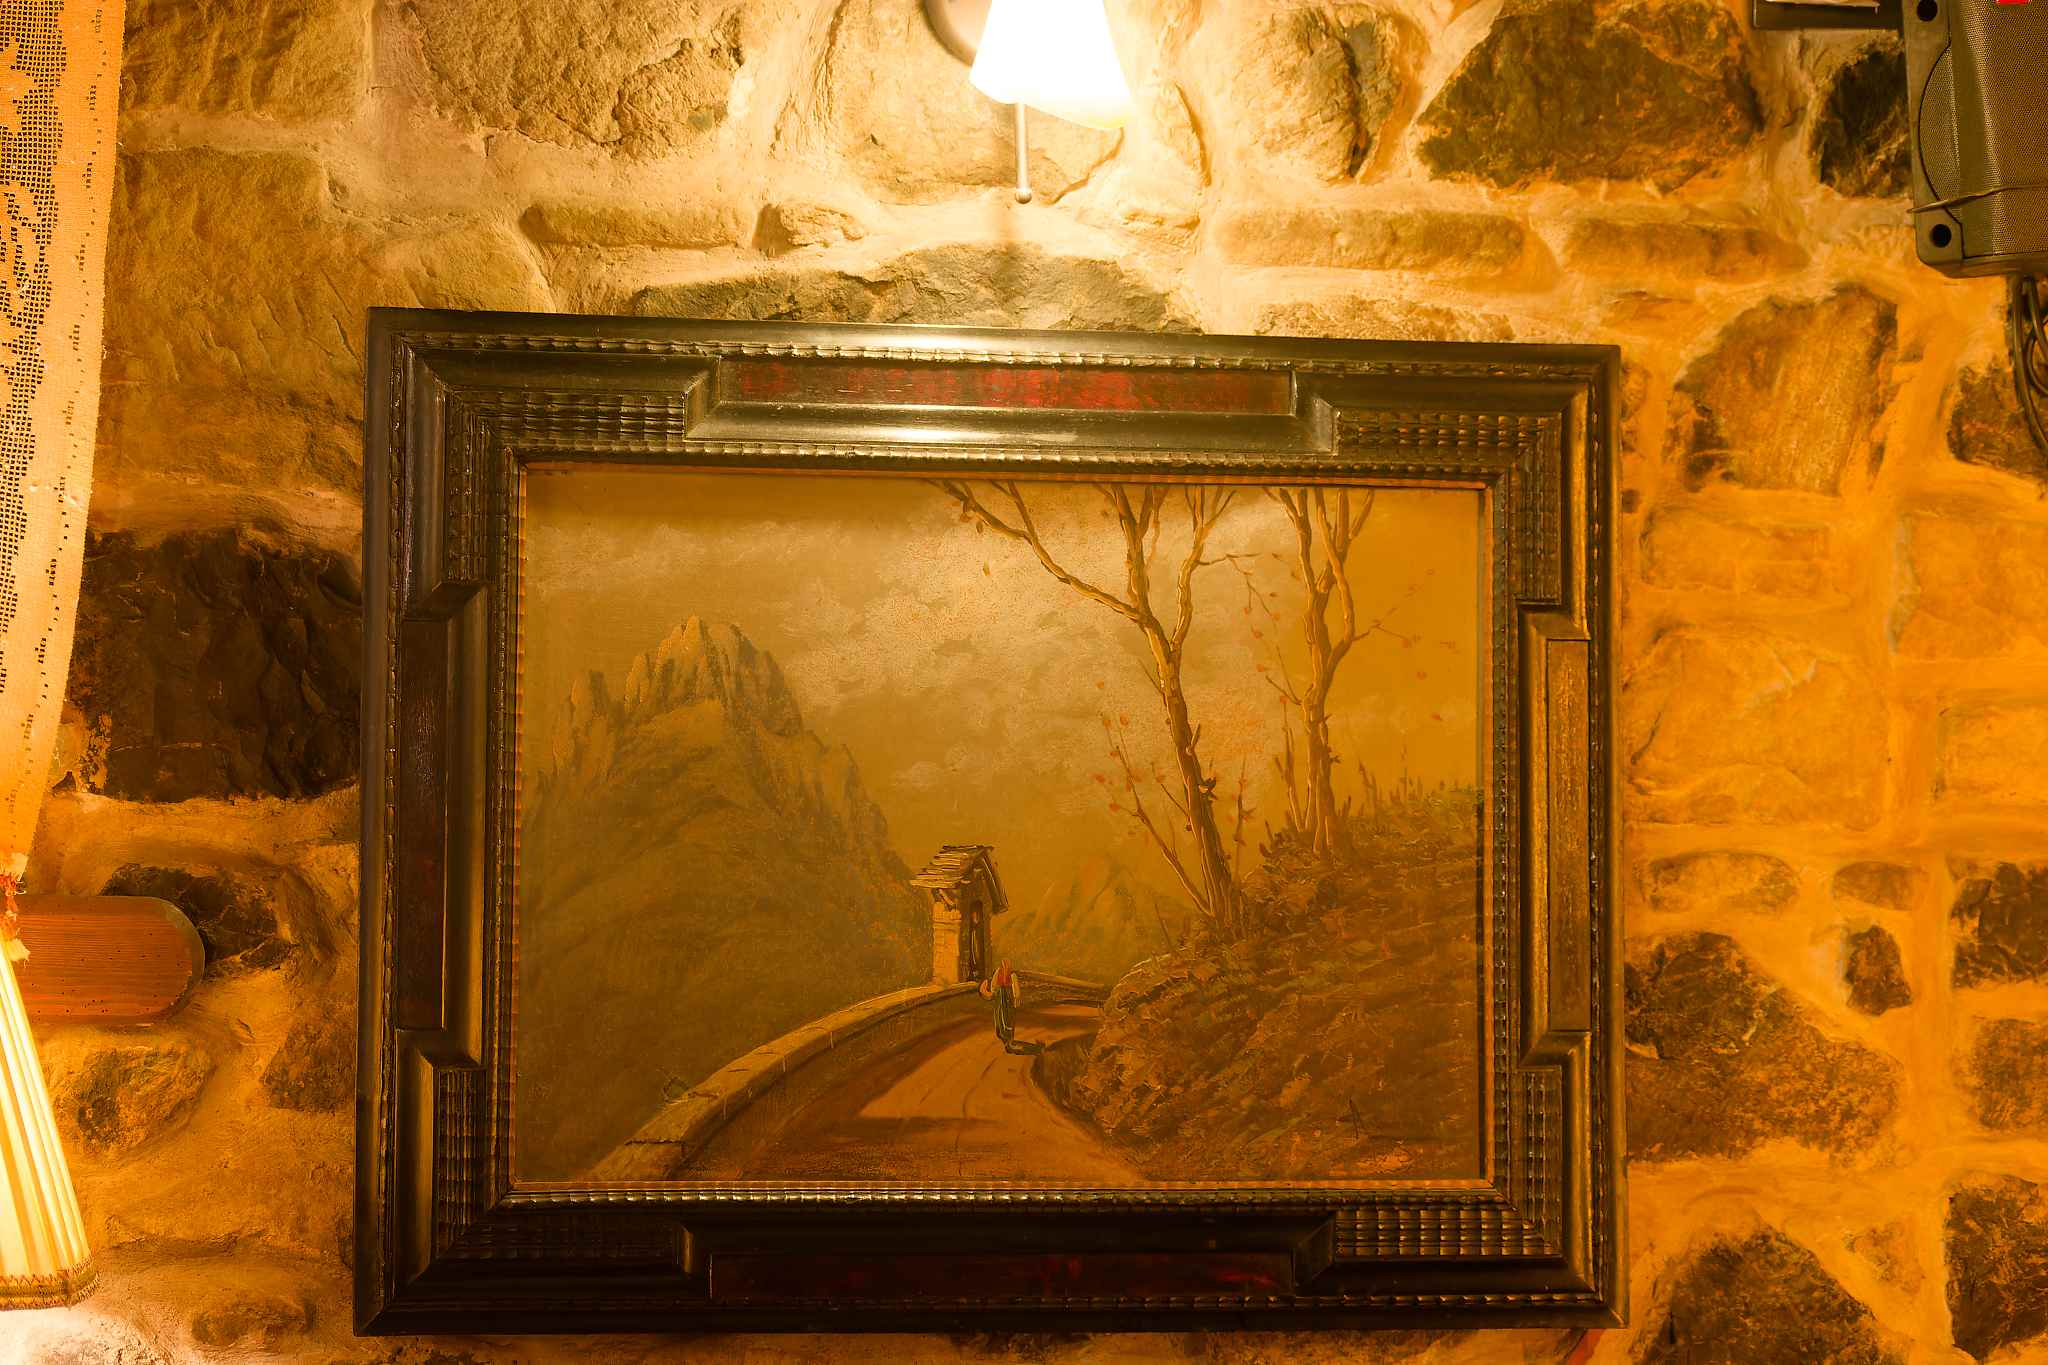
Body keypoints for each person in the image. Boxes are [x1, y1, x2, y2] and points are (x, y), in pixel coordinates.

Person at [978, 959, 1041, 1055]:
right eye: (1003, 964)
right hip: (1000, 1002)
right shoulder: (998, 974)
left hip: (1008, 1002)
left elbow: (1015, 990)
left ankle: (1009, 1042)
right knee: (1001, 1021)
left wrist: (1015, 998)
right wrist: (988, 991)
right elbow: (993, 988)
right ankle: (1007, 1041)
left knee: (1008, 1020)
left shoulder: (1012, 976)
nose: (1005, 966)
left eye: (1006, 964)